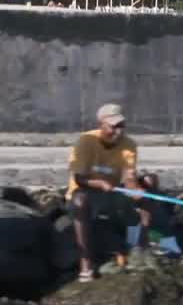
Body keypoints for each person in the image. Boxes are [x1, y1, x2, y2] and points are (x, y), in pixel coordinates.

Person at [66, 103, 159, 281]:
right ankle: (85, 263)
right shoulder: (85, 141)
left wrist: (134, 190)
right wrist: (99, 183)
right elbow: (79, 178)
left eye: (121, 126)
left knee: (149, 181)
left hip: (113, 194)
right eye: (113, 127)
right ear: (101, 124)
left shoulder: (129, 144)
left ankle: (141, 245)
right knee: (79, 200)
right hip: (87, 193)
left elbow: (128, 175)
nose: (118, 132)